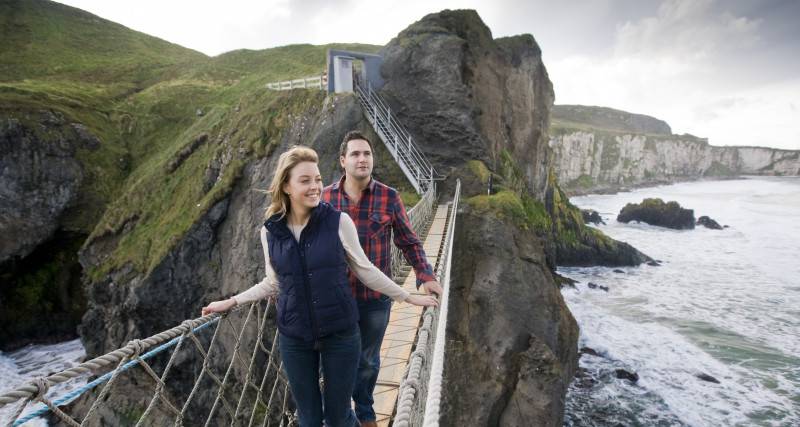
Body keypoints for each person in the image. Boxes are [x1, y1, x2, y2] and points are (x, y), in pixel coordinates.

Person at [201, 146, 437, 427]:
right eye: (305, 181)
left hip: (340, 335)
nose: (315, 187)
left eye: (317, 179)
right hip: (294, 338)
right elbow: (273, 282)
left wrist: (408, 297)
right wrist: (232, 301)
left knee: (338, 417)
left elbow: (365, 270)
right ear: (286, 186)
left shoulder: (338, 222)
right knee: (309, 419)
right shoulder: (270, 231)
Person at [321, 131, 443, 427]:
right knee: (334, 362)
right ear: (343, 161)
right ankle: (339, 416)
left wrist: (425, 275)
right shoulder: (325, 198)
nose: (362, 159)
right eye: (355, 154)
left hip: (375, 299)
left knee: (367, 361)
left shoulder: (389, 197)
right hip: (335, 298)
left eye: (367, 154)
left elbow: (409, 242)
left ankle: (364, 412)